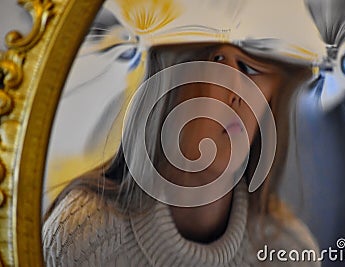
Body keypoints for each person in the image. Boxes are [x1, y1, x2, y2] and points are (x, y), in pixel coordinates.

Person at [42, 42, 320, 266]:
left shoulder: (289, 253)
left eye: (250, 67)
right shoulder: (82, 240)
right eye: (216, 61)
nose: (237, 91)